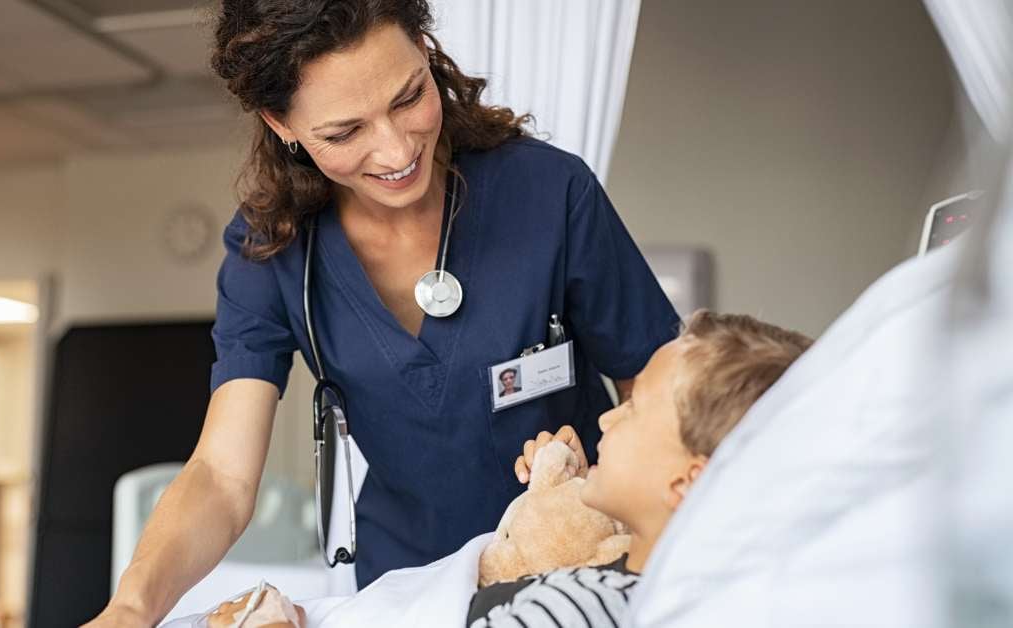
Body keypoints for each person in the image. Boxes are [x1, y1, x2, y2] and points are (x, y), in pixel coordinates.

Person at [86, 2, 677, 625]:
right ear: (280, 123)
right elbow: (221, 476)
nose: (396, 149)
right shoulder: (272, 250)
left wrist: (614, 478)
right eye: (344, 133)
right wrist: (131, 607)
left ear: (426, 50)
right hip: (407, 589)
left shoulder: (550, 194)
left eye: (408, 96)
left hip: (575, 573)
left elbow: (666, 400)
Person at [469, 311, 811, 627]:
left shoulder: (575, 609)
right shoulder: (620, 581)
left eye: (633, 408)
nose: (605, 419)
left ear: (684, 484)